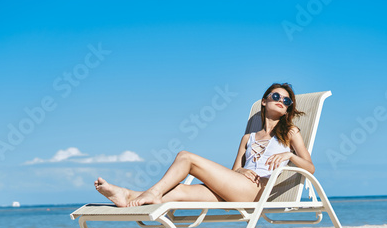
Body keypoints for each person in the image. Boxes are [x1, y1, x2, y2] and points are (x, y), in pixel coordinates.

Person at [95, 83, 315, 207]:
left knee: (186, 157)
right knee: (179, 190)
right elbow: (234, 171)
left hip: (258, 191)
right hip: (237, 187)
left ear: (287, 110)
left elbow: (310, 168)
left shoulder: (290, 133)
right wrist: (242, 170)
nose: (281, 100)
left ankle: (149, 192)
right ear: (264, 101)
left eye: (287, 101)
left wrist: (289, 157)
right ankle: (128, 195)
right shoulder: (248, 138)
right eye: (276, 95)